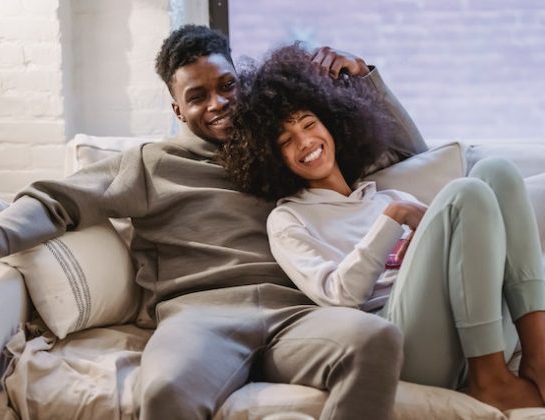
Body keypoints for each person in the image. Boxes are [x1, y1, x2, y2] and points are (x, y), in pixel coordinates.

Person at [0, 25, 427, 420]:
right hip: (200, 318)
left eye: (227, 86)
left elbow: (405, 155)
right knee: (163, 392)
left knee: (375, 339)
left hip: (297, 313)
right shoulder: (151, 163)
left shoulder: (282, 150)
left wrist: (365, 77)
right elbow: (57, 200)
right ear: (178, 109)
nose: (218, 104)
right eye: (197, 96)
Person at [222, 43, 545, 412]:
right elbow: (340, 297)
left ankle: (538, 356)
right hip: (407, 344)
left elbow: (458, 240)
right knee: (467, 190)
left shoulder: (384, 194)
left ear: (332, 123)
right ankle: (491, 379)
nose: (306, 142)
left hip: (470, 324)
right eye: (286, 141)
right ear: (271, 157)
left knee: (497, 172)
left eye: (309, 124)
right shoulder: (289, 219)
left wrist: (411, 222)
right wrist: (391, 221)